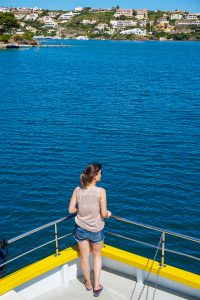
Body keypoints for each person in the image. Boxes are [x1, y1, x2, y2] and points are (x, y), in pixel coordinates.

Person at [68, 163, 111, 297]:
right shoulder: (101, 191)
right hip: (96, 230)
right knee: (97, 255)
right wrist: (108, 214)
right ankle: (96, 285)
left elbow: (70, 210)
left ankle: (88, 283)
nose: (101, 175)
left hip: (80, 228)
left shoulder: (77, 190)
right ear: (95, 176)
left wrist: (80, 210)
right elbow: (103, 214)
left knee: (84, 257)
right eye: (100, 173)